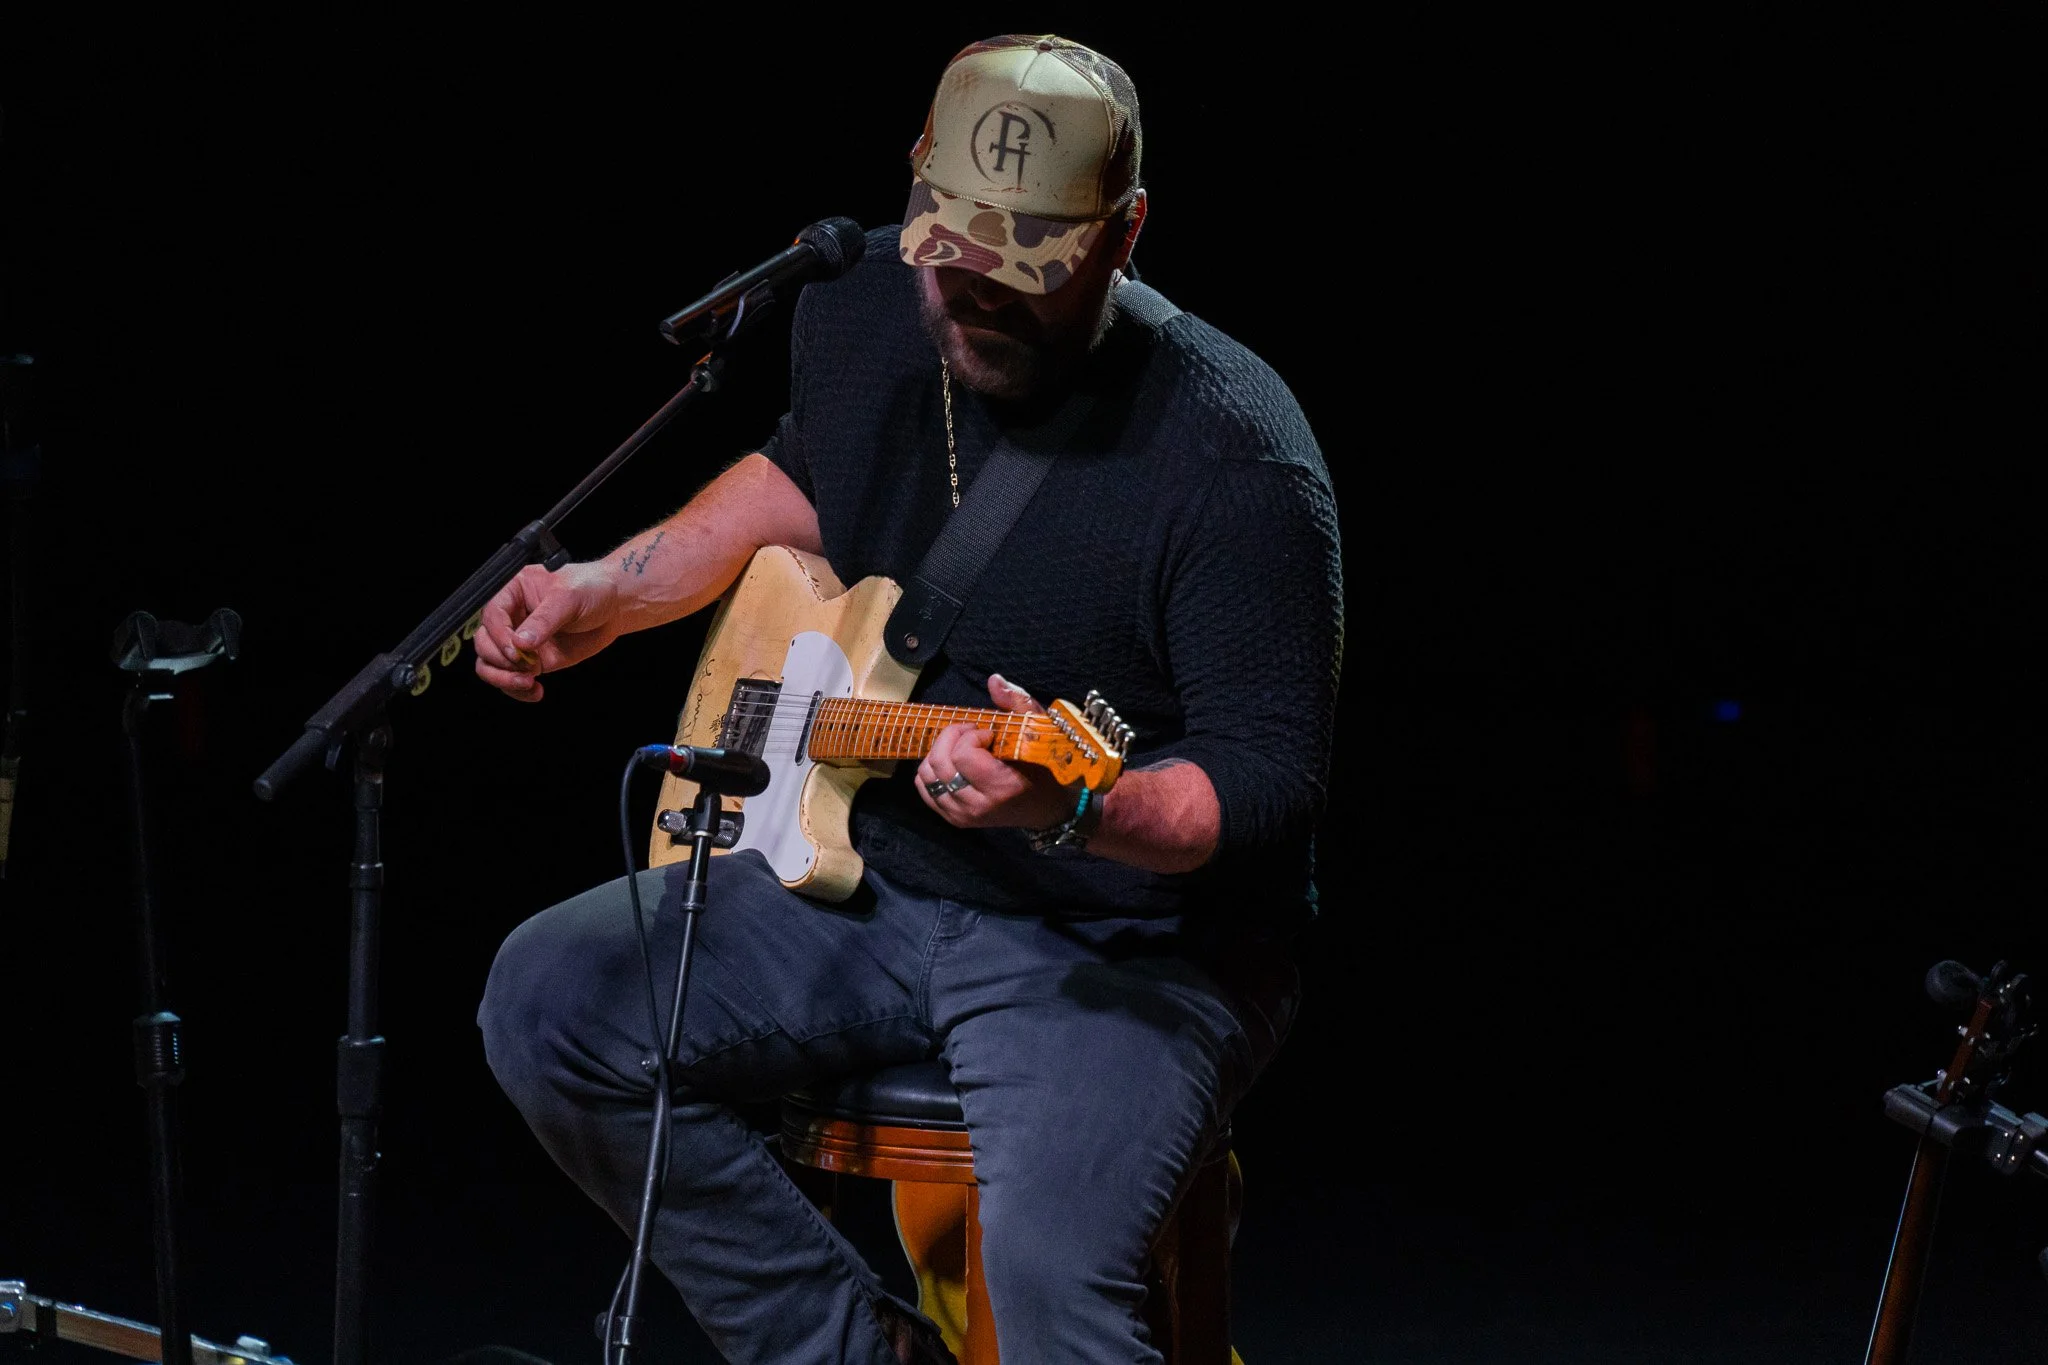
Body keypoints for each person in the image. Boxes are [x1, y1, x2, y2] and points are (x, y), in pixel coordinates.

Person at [476, 33, 1342, 1365]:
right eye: (955, 252)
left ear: (1125, 234)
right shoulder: (864, 302)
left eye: (1028, 266)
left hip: (1125, 942)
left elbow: (1267, 781)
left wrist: (1079, 809)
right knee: (552, 1001)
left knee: (1052, 1289)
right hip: (877, 885)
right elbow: (804, 470)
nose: (978, 292)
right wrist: (618, 589)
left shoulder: (1236, 456)